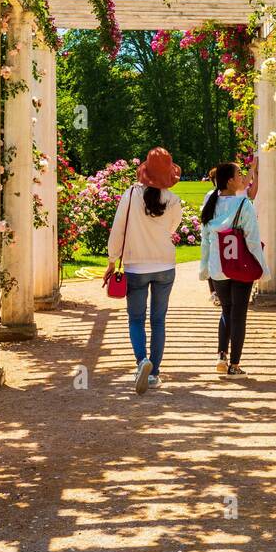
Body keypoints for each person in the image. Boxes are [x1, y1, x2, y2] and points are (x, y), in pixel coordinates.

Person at [104, 148, 183, 394]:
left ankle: (142, 362)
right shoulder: (172, 200)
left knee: (136, 319)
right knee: (159, 320)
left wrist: (111, 260)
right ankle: (154, 374)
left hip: (136, 266)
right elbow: (173, 227)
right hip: (164, 265)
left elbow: (118, 230)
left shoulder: (130, 195)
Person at [198, 161, 271, 377]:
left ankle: (221, 355)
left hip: (218, 267)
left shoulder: (210, 202)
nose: (242, 177)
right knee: (239, 314)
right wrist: (261, 268)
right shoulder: (243, 204)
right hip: (240, 265)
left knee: (226, 312)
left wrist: (204, 269)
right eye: (239, 174)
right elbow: (252, 240)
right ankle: (235, 365)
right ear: (230, 180)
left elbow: (205, 241)